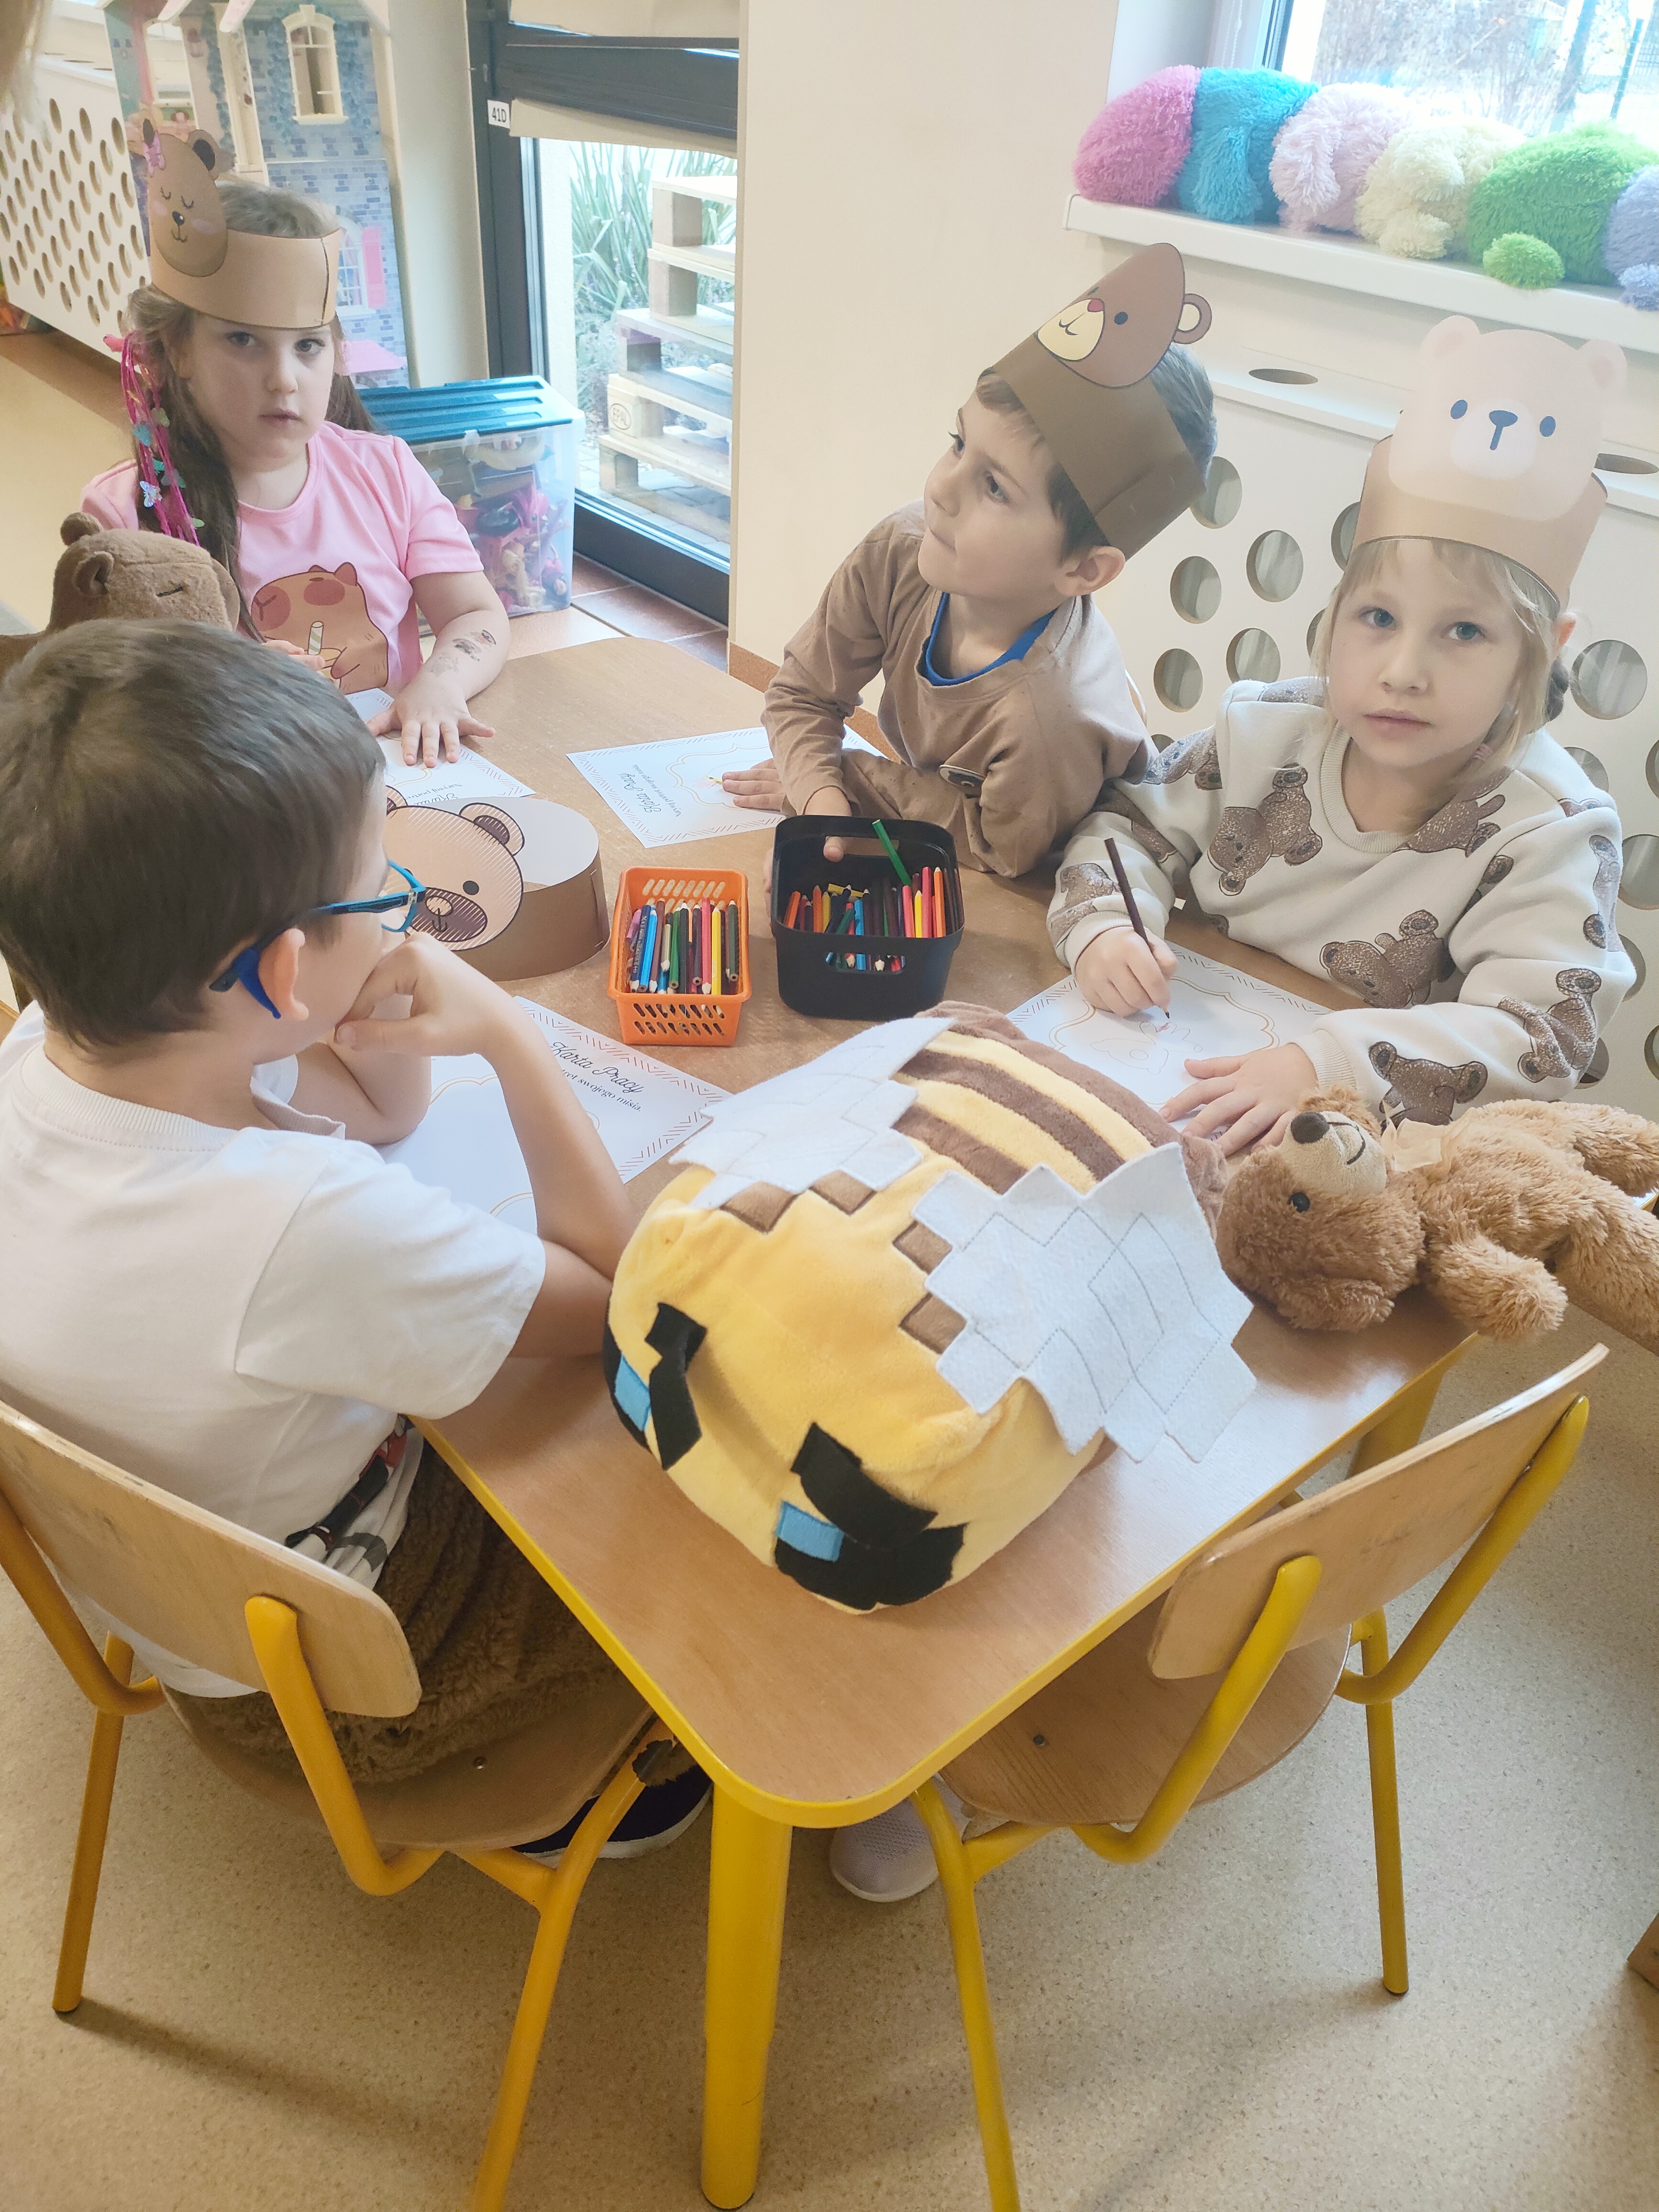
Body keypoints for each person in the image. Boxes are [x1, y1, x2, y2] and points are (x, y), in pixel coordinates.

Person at [0, 624, 705, 1861]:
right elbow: (615, 1296)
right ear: (280, 974)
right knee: (680, 1426)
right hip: (360, 1672)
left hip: (159, 1588)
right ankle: (595, 1781)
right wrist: (510, 1039)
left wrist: (340, 984)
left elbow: (378, 1109)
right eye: (382, 896)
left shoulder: (49, 1047)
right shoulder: (303, 1224)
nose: (402, 926)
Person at [1052, 317, 1637, 1152]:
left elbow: (1542, 1037)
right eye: (1378, 617)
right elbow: (1128, 825)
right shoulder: (1262, 732)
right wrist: (1107, 926)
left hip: (1378, 1145)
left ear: (1542, 648)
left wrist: (1326, 1063)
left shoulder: (1553, 831)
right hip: (1187, 1072)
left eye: (1464, 632)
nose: (1403, 671)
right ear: (1335, 614)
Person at [725, 244, 1218, 878]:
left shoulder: (1048, 715)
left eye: (994, 487)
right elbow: (802, 692)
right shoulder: (899, 550)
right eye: (959, 442)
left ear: (1084, 571)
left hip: (1062, 886)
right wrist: (822, 802)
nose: (940, 488)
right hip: (956, 841)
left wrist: (852, 778)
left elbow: (1000, 849)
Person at [80, 163, 504, 771]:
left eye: (307, 345)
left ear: (336, 353)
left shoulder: (385, 471)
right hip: (237, 790)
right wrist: (228, 684)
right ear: (178, 350)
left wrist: (439, 685)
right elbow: (108, 706)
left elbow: (474, 613)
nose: (283, 379)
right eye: (242, 340)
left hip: (396, 776)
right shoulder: (124, 515)